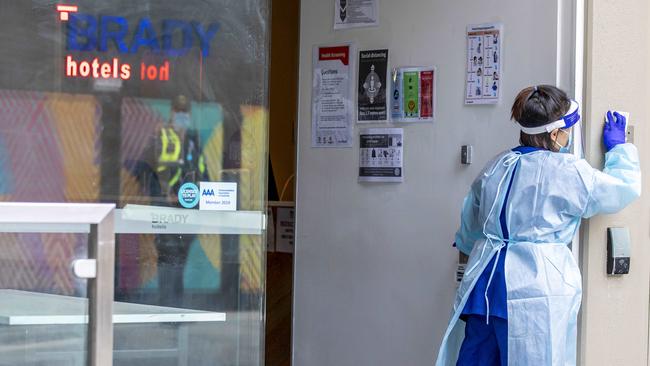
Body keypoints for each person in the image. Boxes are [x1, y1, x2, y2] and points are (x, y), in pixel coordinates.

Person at [435, 85, 640, 366]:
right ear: (555, 134)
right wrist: (619, 150)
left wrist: (469, 245)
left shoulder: (497, 165)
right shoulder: (567, 172)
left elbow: (471, 223)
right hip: (531, 291)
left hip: (483, 287)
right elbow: (620, 190)